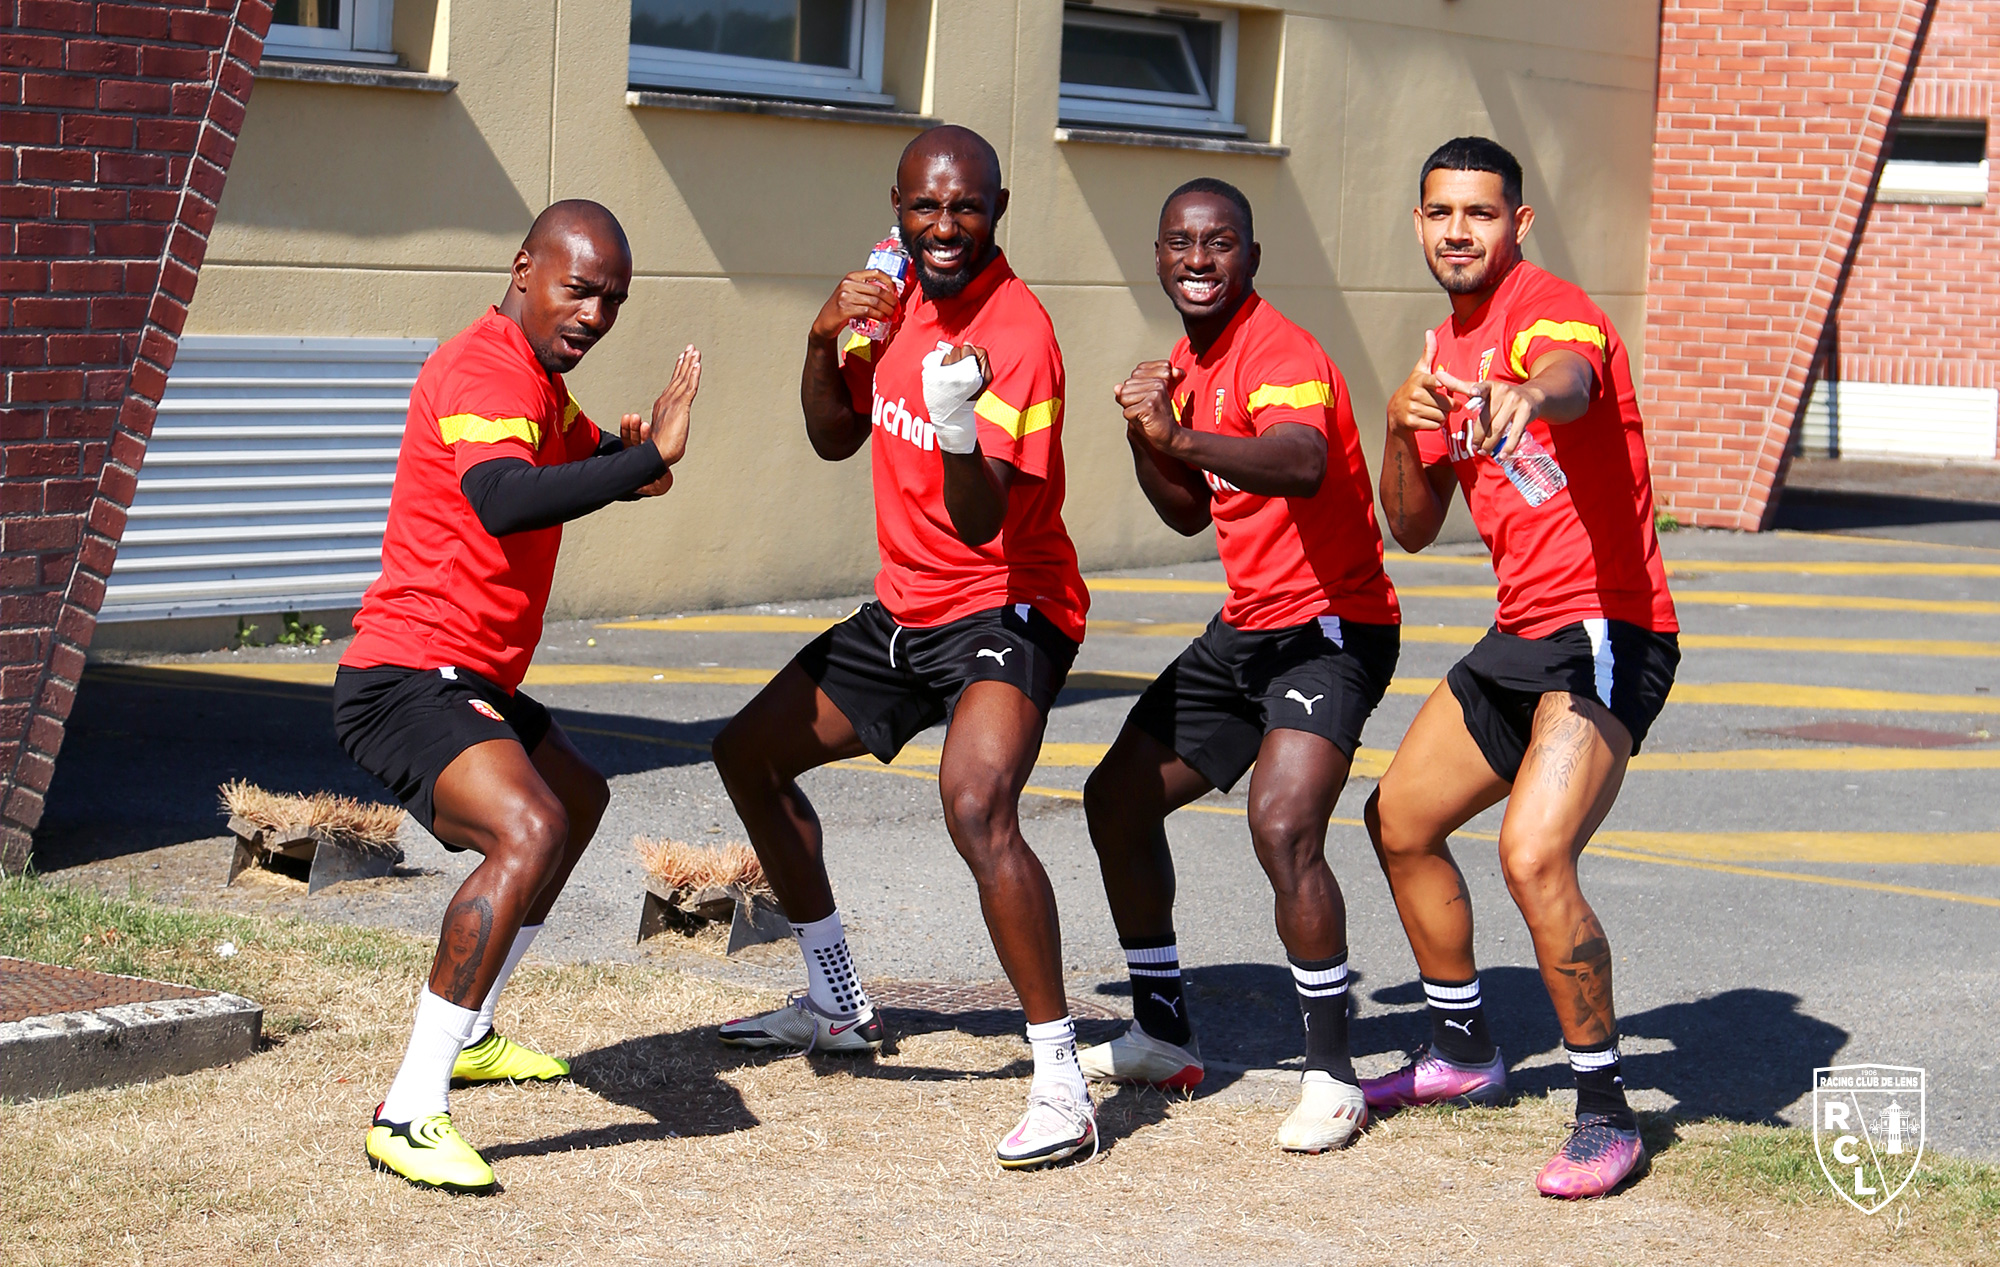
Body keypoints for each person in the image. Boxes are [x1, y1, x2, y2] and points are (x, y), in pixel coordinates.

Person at [709, 125, 1096, 1170]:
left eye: (963, 208)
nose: (942, 228)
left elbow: (982, 524)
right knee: (748, 752)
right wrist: (817, 335)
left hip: (1008, 604)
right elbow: (836, 436)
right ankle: (838, 1001)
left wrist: (959, 423)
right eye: (923, 207)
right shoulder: (888, 290)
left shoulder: (1017, 333)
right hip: (904, 608)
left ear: (997, 210)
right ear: (895, 206)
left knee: (974, 803)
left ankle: (1058, 1075)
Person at [335, 200, 702, 1194]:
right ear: (523, 267)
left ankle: (477, 1025)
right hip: (405, 677)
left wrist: (636, 461)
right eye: (577, 288)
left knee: (577, 800)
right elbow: (500, 497)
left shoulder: (536, 378)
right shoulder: (485, 364)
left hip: (469, 676)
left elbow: (592, 470)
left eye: (612, 301)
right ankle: (408, 1109)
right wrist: (644, 459)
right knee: (531, 826)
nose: (593, 313)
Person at [1366, 137, 1679, 1198]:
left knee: (1532, 853)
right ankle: (1459, 1051)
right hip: (1519, 633)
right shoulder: (1439, 348)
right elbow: (1408, 530)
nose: (1459, 230)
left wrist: (1526, 397)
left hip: (1606, 627)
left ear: (1517, 223)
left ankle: (1604, 1112)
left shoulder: (1548, 308)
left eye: (1480, 213)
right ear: (1418, 225)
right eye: (1440, 213)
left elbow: (1573, 376)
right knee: (1398, 818)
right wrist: (1404, 428)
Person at [1074, 179, 1401, 1154]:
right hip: (1248, 628)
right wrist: (1147, 434)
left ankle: (1332, 1076)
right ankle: (1163, 1033)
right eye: (1179, 243)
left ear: (1249, 257)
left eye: (1218, 243)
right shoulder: (1186, 359)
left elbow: (1297, 460)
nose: (1197, 259)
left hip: (1330, 626)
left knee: (1282, 820)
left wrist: (1173, 429)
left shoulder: (1281, 351)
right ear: (1159, 257)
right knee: (1115, 798)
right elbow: (1183, 507)